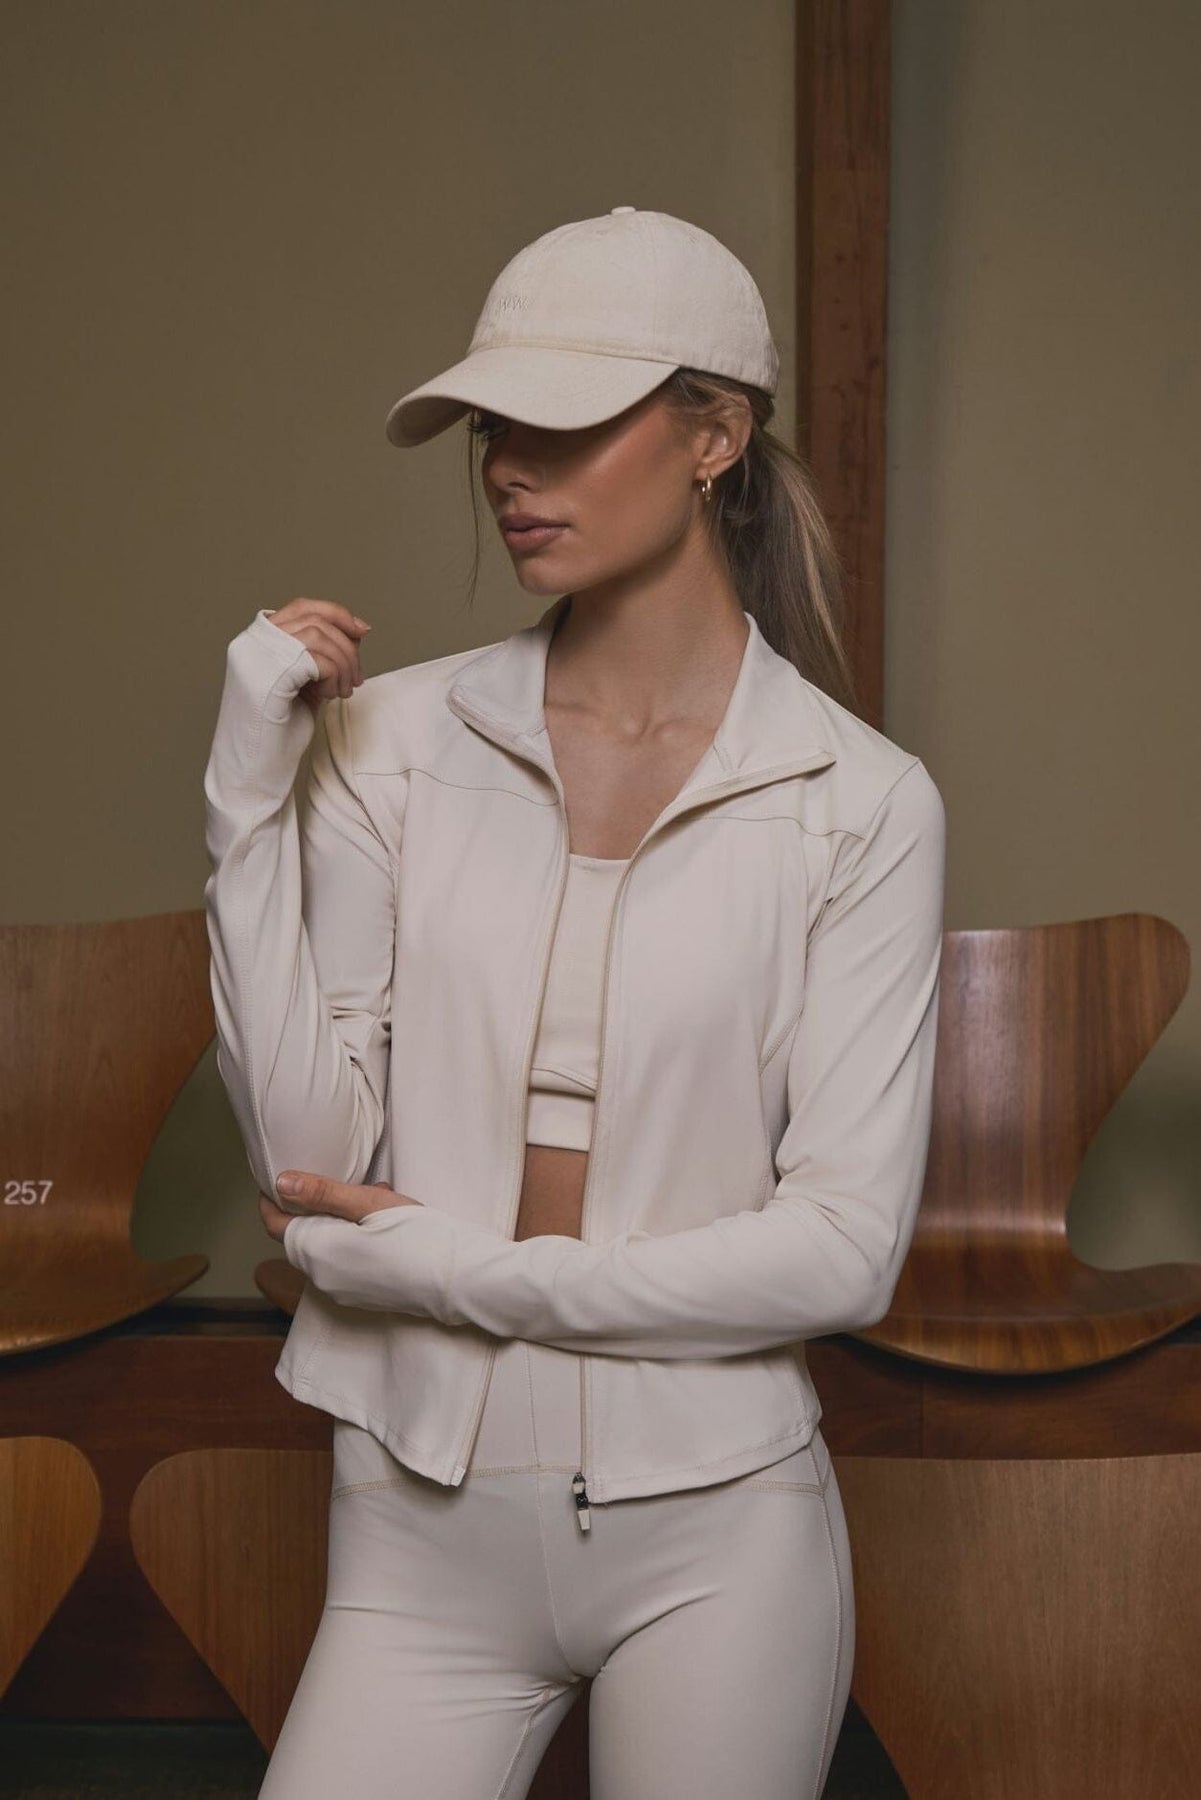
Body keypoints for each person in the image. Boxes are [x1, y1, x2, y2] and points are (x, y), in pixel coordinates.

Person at [202, 206, 947, 1800]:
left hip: (717, 1530)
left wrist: (450, 1269)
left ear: (713, 435)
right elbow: (304, 1157)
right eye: (493, 428)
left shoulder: (859, 801)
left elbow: (841, 1251)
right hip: (413, 1519)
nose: (508, 469)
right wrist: (246, 808)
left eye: (564, 422)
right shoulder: (389, 746)